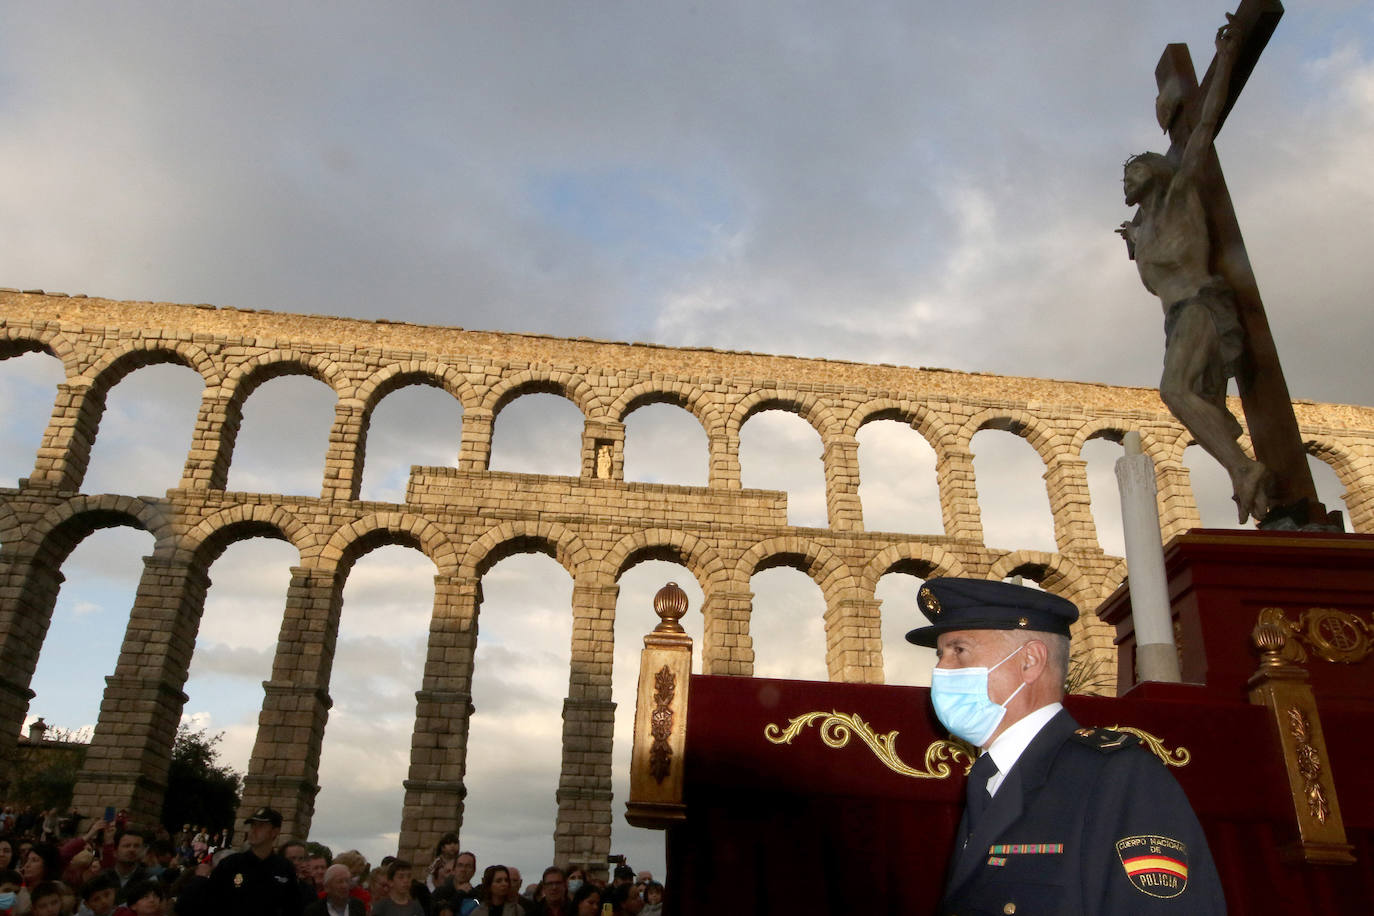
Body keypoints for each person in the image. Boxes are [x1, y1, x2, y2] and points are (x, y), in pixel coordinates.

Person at [906, 577, 1225, 914]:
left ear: (1029, 661)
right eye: (941, 655)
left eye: (959, 651)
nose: (941, 669)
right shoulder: (987, 778)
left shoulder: (1117, 777)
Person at [1116, 15, 1272, 524]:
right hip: (1177, 320)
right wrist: (1135, 244)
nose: (1126, 178)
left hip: (1204, 306)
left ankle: (1245, 472)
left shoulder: (1181, 193)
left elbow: (1202, 125)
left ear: (1156, 170)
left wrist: (1225, 57)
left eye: (1134, 168)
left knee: (1175, 391)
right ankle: (1245, 473)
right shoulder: (1145, 227)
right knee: (1196, 401)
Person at [203, 807, 302, 915]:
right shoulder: (230, 864)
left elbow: (292, 907)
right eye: (252, 825)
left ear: (274, 832)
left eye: (261, 826)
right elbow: (210, 901)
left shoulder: (285, 869)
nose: (253, 830)